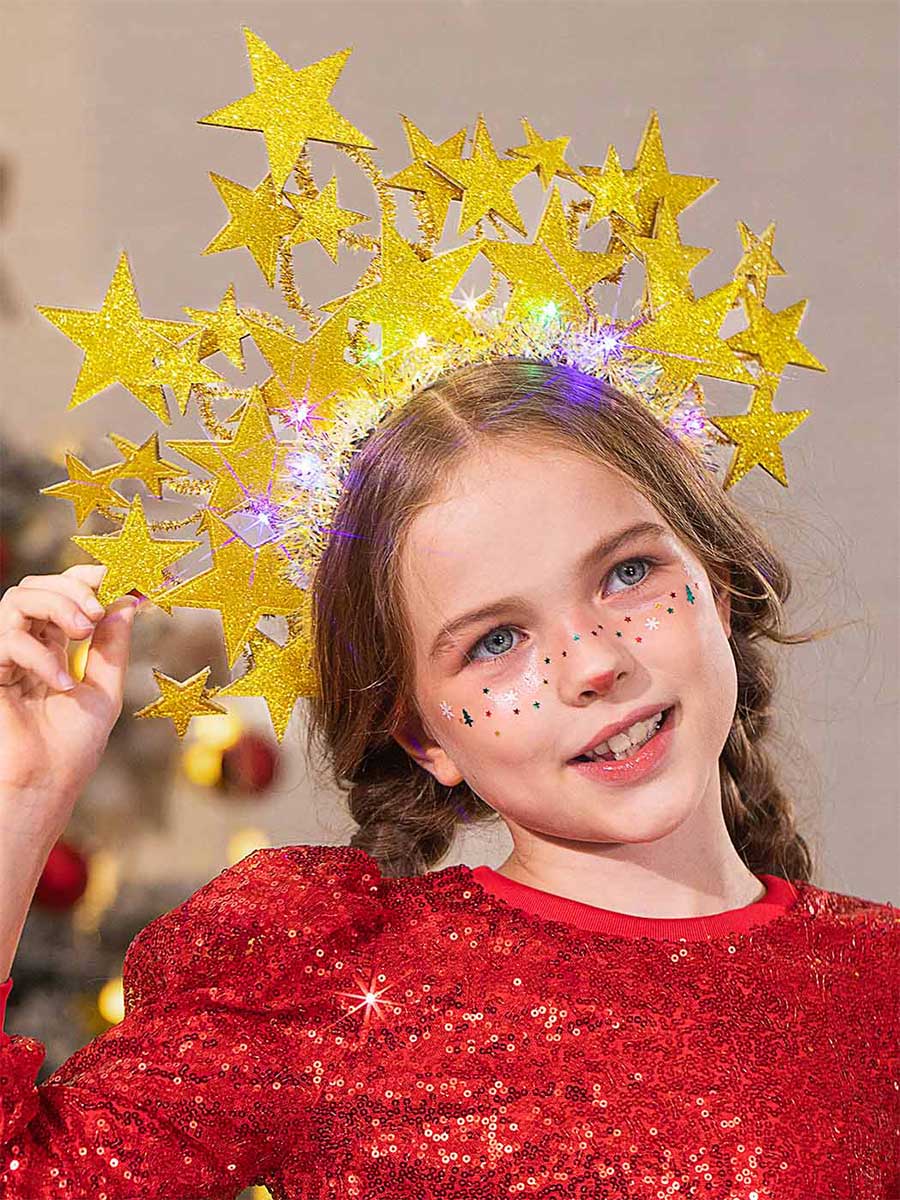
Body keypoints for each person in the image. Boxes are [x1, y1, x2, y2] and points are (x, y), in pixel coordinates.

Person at [0, 360, 896, 1198]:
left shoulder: (881, 983)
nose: (593, 663)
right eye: (495, 641)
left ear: (719, 582)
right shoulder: (327, 995)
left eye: (628, 573)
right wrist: (20, 800)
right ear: (423, 737)